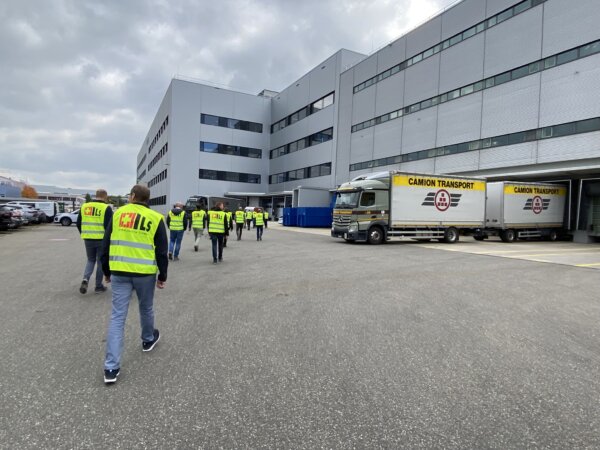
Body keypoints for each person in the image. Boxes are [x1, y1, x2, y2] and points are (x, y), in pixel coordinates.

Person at [100, 184, 168, 384]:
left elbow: (105, 245)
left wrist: (106, 271)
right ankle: (148, 339)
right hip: (144, 273)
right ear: (147, 199)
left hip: (119, 271)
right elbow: (161, 251)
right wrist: (162, 275)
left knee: (117, 317)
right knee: (146, 308)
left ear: (132, 196)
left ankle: (111, 367)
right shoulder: (156, 218)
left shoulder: (118, 214)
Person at [77, 189, 113, 294]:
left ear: (96, 196)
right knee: (100, 262)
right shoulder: (106, 208)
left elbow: (79, 223)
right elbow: (109, 226)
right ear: (105, 196)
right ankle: (98, 286)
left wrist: (84, 233)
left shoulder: (85, 206)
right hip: (101, 240)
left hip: (88, 239)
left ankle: (85, 279)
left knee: (90, 260)